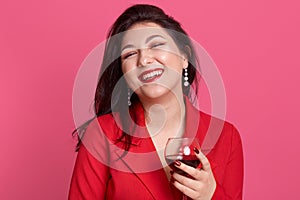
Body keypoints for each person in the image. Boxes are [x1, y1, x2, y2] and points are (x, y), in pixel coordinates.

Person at [69, 4, 244, 200]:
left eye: (156, 45)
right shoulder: (101, 135)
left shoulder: (226, 137)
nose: (144, 60)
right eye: (130, 54)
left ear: (184, 56)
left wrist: (211, 196)